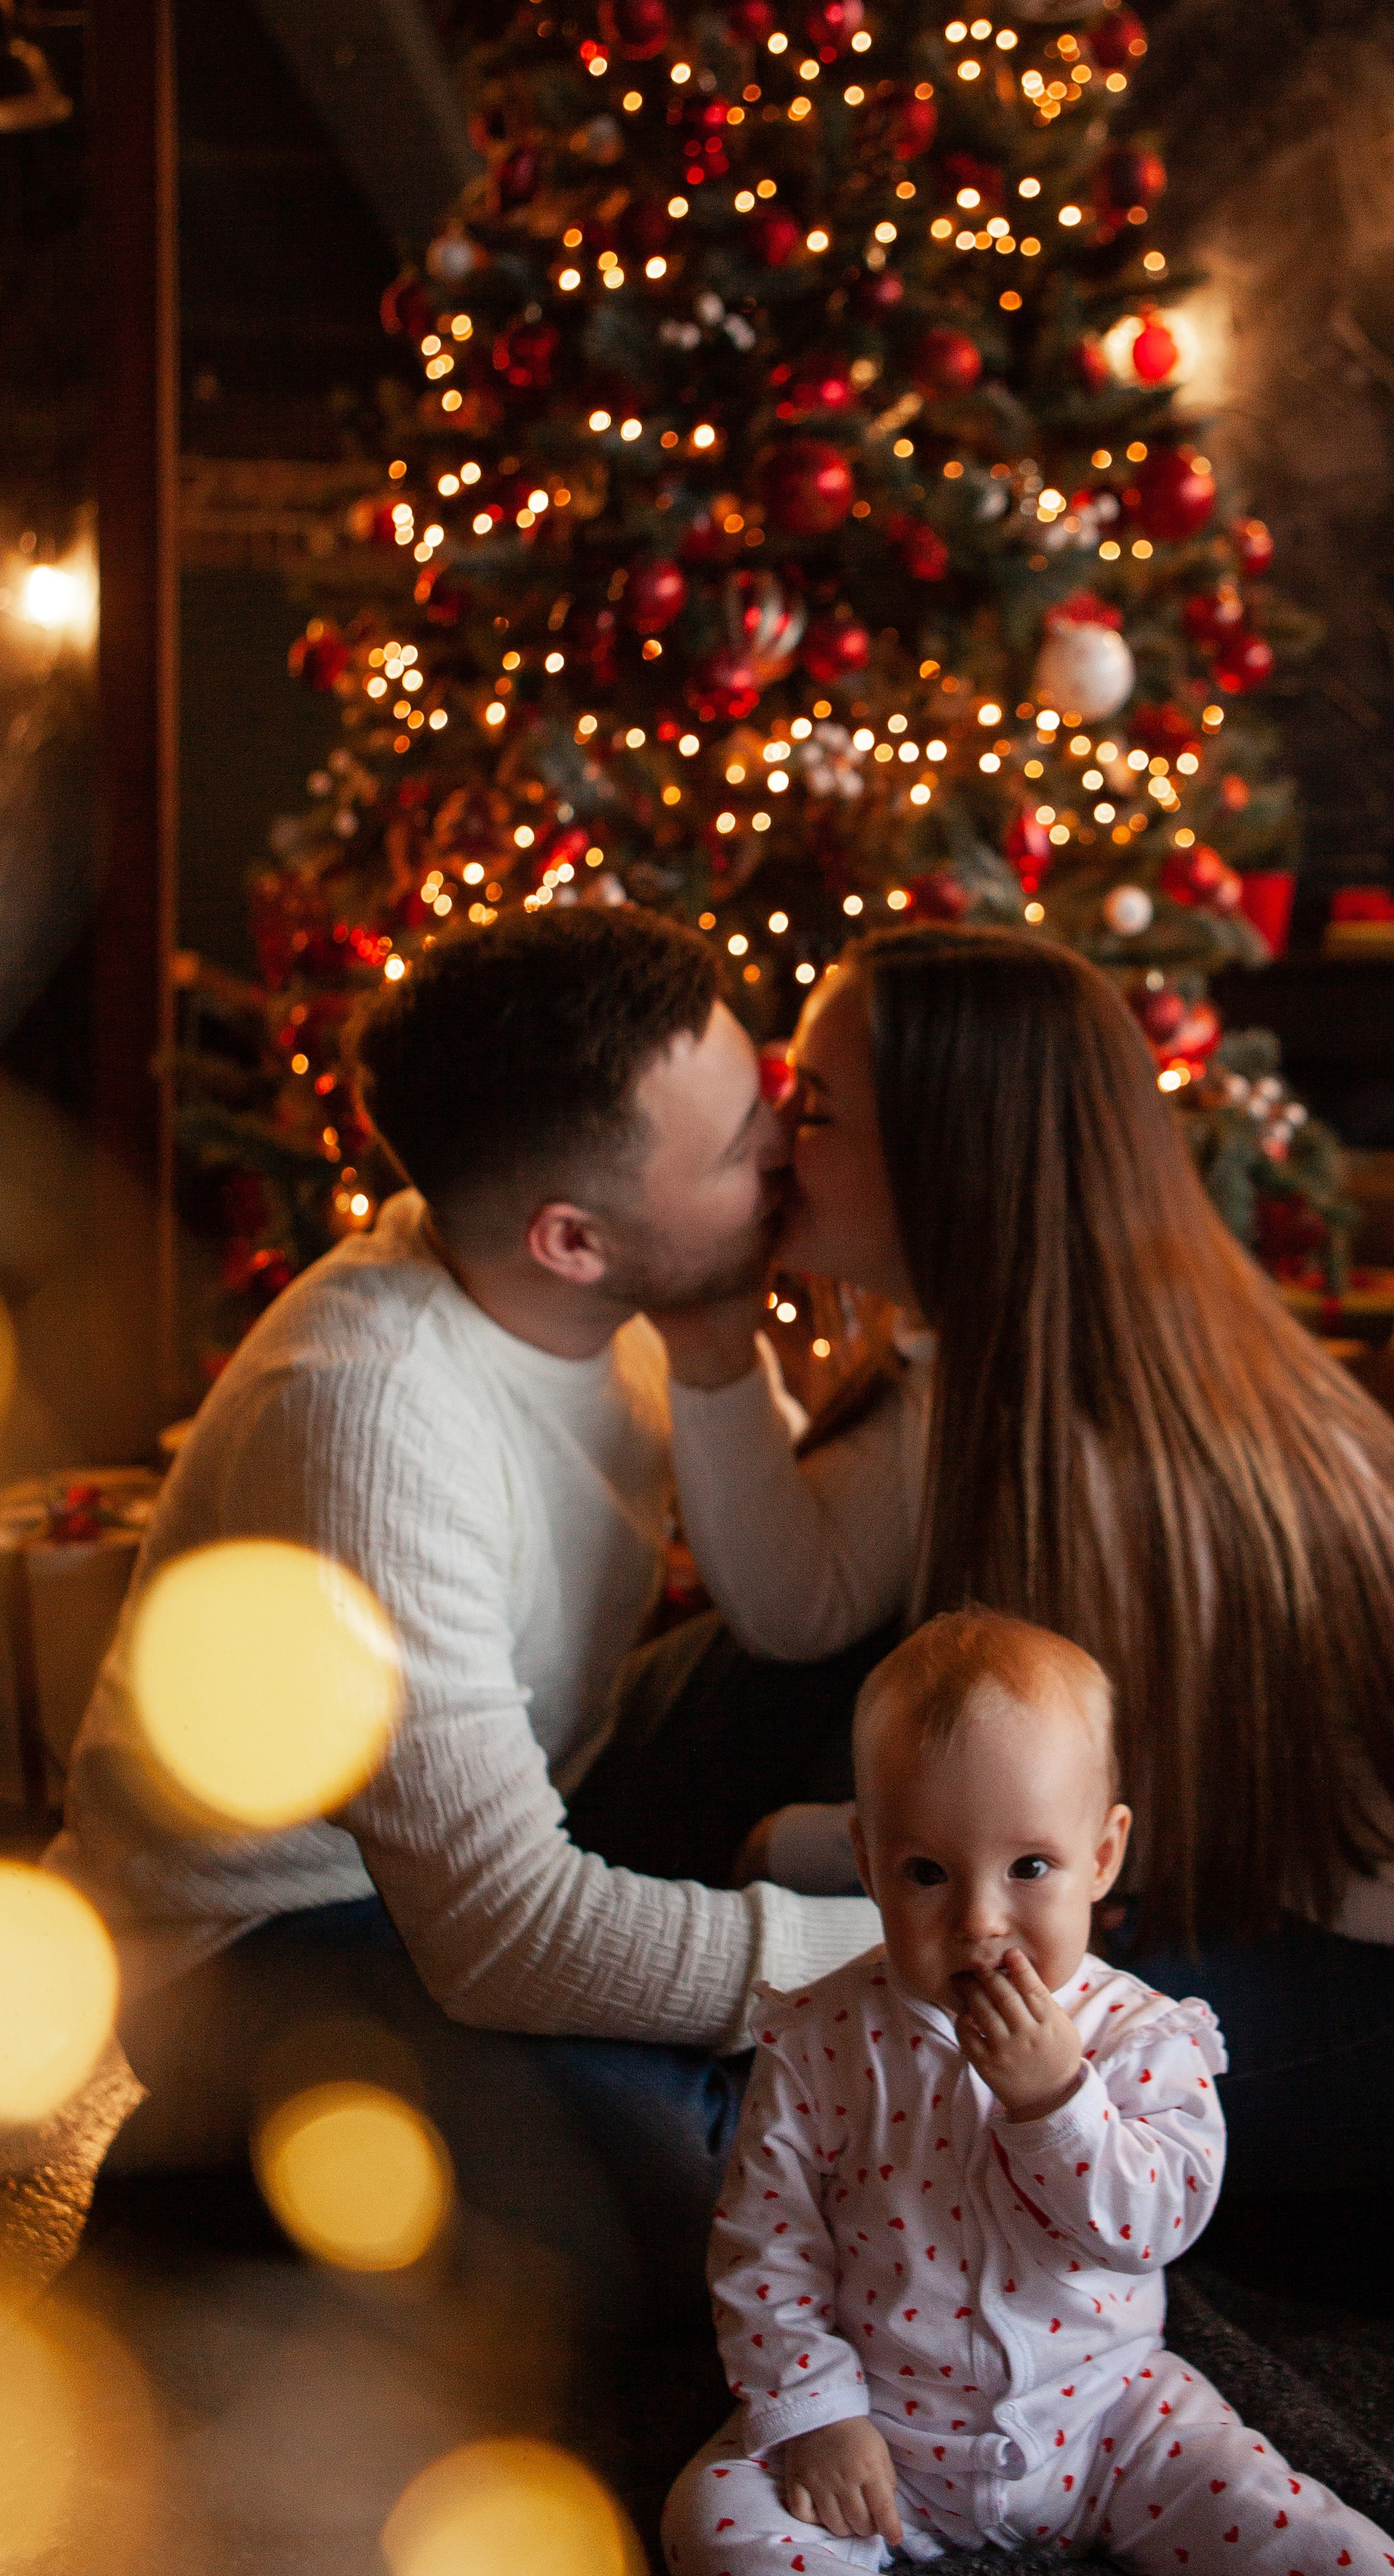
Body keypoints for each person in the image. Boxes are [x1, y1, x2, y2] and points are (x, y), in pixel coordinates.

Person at [656, 925, 1394, 2221]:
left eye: (814, 1109)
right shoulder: (983, 1374)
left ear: (950, 1160)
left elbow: (1078, 1848)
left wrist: (813, 1850)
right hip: (1246, 1880)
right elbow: (797, 1605)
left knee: (933, 2088)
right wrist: (714, 1346)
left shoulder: (1103, 1469)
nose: (774, 1139)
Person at [49, 906, 883, 2322]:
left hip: (510, 1819)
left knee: (843, 1663)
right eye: (745, 1147)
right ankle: (217, 2175)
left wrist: (715, 1339)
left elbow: (795, 1601)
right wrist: (885, 1955)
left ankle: (431, 2144)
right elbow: (504, 1930)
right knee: (717, 2213)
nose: (788, 1153)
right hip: (277, 1938)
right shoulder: (374, 1411)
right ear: (574, 1237)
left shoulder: (601, 1298)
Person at [663, 1611, 1394, 2576]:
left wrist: (1057, 2104)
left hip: (1101, 2418)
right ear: (866, 1860)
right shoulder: (822, 2042)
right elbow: (766, 2246)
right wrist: (817, 2413)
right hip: (889, 2437)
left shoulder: (1142, 2036)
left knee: (1278, 2513)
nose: (980, 1918)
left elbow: (1159, 2219)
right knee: (714, 2520)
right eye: (927, 1872)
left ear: (1103, 1854)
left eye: (1029, 1866)